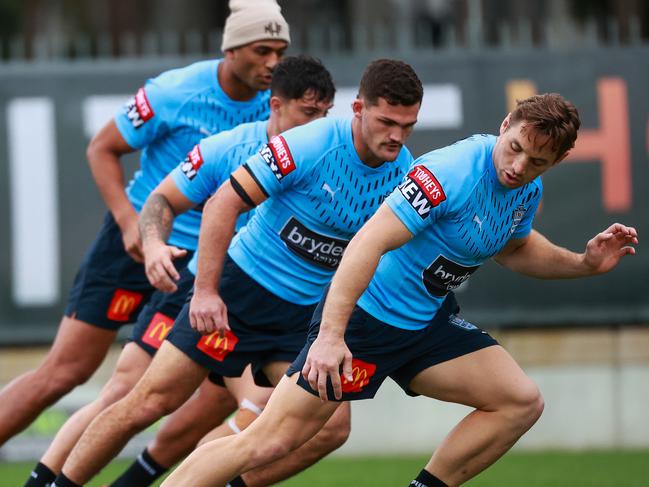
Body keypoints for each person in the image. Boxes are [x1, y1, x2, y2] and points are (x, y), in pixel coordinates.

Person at [162, 93, 639, 487]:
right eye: (514, 147)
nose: (518, 166)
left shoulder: (525, 189)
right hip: (366, 323)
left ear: (557, 161)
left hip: (425, 323)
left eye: (537, 162)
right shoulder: (449, 173)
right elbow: (366, 242)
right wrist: (332, 336)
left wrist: (585, 264)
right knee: (265, 442)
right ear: (506, 122)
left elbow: (515, 249)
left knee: (519, 401)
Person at [51, 58, 424, 487]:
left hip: (300, 317)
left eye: (407, 125)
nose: (396, 136)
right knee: (149, 401)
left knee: (332, 428)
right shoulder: (308, 144)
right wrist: (206, 292)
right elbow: (223, 202)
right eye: (386, 122)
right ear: (359, 109)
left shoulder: (404, 173)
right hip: (239, 294)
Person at [13, 0, 289, 483]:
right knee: (66, 373)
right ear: (231, 48)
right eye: (262, 50)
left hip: (202, 265)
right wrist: (129, 224)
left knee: (198, 391)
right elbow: (102, 148)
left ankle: (137, 475)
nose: (272, 63)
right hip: (136, 244)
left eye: (280, 51)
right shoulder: (176, 91)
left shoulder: (282, 110)